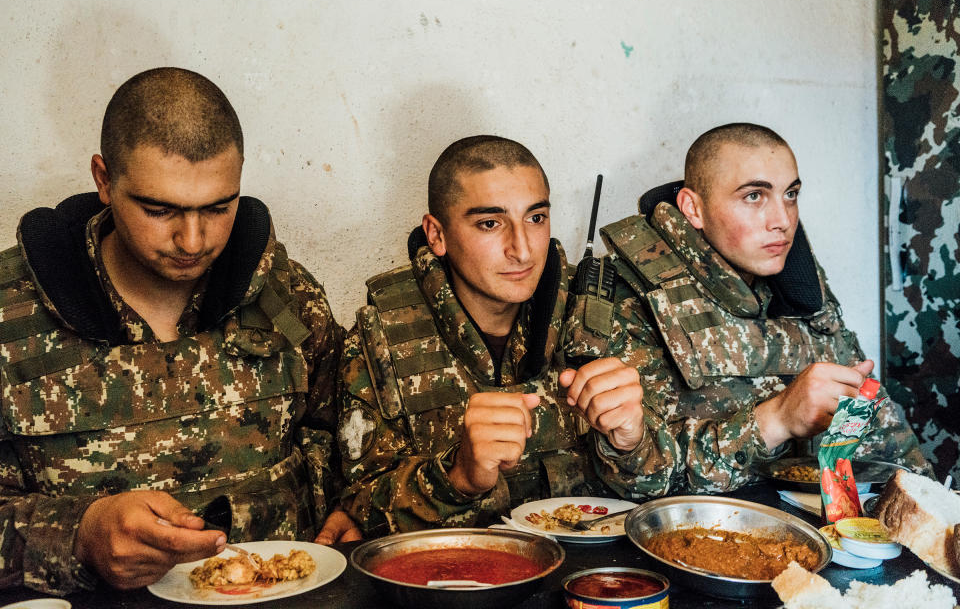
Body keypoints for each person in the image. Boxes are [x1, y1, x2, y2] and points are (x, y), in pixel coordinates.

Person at [0, 68, 358, 595]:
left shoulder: (287, 295)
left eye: (218, 207)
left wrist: (353, 506)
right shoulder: (11, 317)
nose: (192, 240)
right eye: (159, 209)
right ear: (103, 179)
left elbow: (349, 438)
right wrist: (78, 535)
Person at [564, 123, 932, 494]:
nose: (783, 221)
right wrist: (777, 419)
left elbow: (890, 447)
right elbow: (640, 478)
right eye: (754, 196)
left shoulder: (803, 289)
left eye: (790, 194)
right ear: (693, 208)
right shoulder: (635, 294)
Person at [336, 135, 676, 535]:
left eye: (535, 219)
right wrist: (458, 477)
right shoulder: (383, 336)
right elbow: (357, 513)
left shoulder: (597, 311)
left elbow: (658, 491)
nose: (523, 250)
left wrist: (630, 442)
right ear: (437, 234)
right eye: (490, 223)